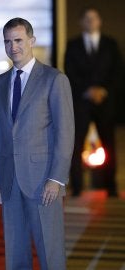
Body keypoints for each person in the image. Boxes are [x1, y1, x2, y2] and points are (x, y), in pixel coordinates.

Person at [0, 18, 74, 269]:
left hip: (43, 181)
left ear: (32, 41)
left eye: (18, 40)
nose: (13, 47)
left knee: (51, 253)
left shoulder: (54, 80)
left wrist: (56, 179)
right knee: (15, 255)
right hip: (9, 182)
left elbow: (65, 132)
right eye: (8, 41)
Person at [64, 7, 122, 197]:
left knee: (109, 144)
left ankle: (111, 188)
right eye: (86, 19)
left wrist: (102, 90)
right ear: (81, 22)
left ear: (99, 21)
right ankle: (77, 187)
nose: (90, 22)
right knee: (77, 145)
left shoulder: (110, 44)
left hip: (106, 103)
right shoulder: (73, 45)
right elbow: (69, 72)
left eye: (94, 18)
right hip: (81, 102)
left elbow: (117, 71)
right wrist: (88, 90)